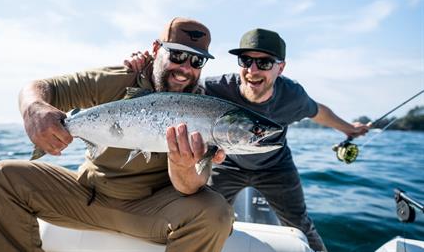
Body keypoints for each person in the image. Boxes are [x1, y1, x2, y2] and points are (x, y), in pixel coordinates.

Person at [0, 17, 233, 252]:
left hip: (151, 210)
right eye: (177, 55)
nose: (185, 68)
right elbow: (42, 87)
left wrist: (182, 166)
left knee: (215, 213)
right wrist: (34, 109)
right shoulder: (117, 79)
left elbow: (189, 188)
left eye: (197, 61)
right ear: (156, 49)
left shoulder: (204, 112)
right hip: (86, 196)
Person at [125, 28, 370, 252]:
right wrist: (146, 62)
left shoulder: (292, 96)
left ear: (280, 68)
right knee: (203, 215)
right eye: (246, 60)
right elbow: (174, 83)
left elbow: (319, 112)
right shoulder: (213, 89)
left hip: (276, 166)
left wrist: (349, 129)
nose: (253, 71)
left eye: (264, 62)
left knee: (301, 225)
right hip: (227, 164)